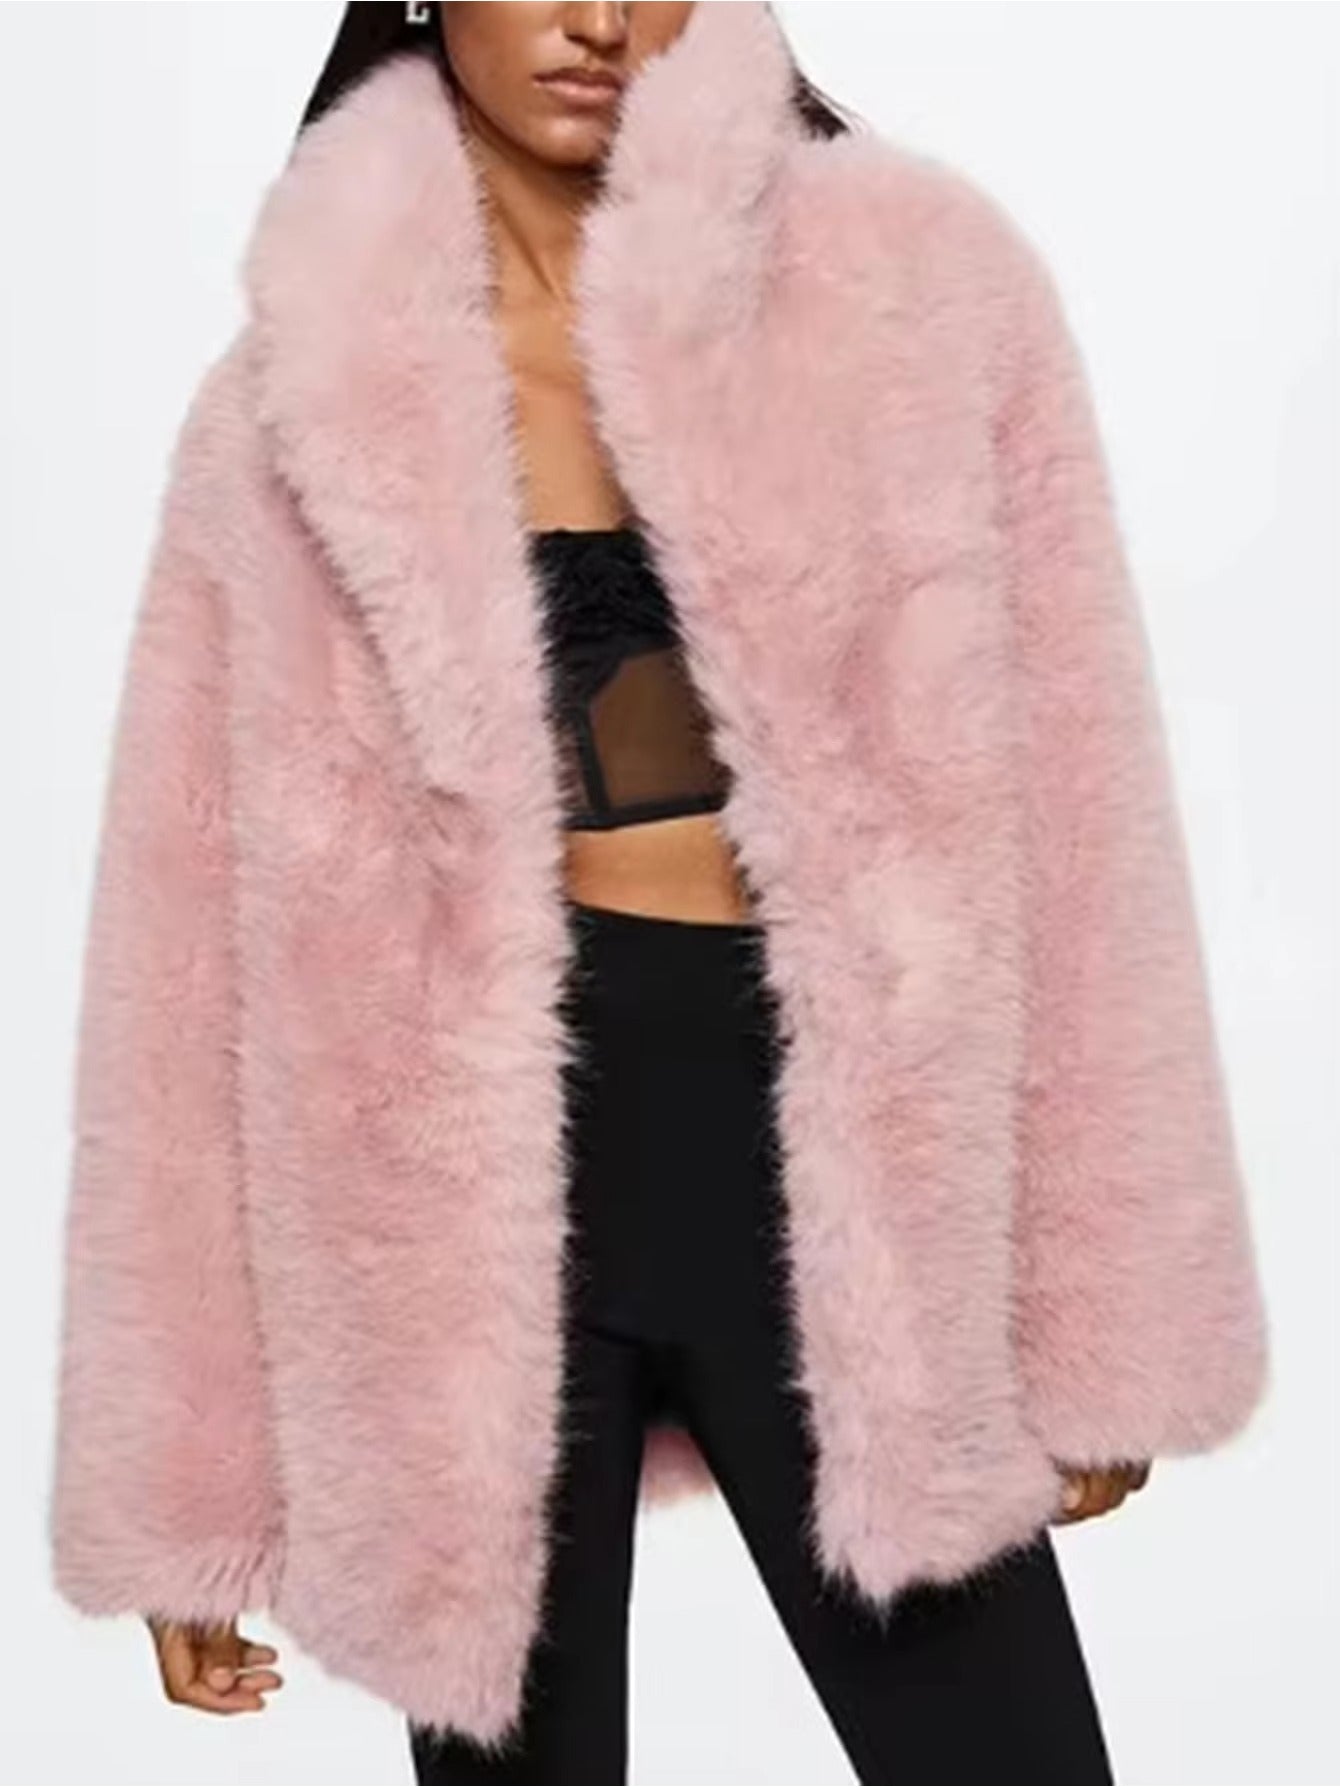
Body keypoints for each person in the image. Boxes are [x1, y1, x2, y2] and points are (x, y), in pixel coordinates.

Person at [49, 4, 1271, 1784]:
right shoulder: (291, 401)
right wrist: (187, 1494)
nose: (600, 18)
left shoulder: (917, 300)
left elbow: (1083, 814)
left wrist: (1108, 1314)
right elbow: (175, 959)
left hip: (838, 1177)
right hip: (452, 1227)